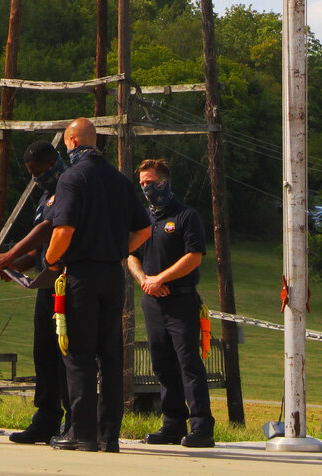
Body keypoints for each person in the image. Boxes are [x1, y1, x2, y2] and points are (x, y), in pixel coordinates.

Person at [43, 118, 151, 453]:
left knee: (79, 354)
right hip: (113, 274)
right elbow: (145, 230)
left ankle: (82, 432)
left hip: (82, 275)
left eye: (66, 144)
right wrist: (117, 248)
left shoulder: (72, 178)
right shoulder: (119, 180)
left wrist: (49, 260)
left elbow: (63, 230)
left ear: (73, 141)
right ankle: (109, 436)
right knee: (110, 355)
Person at [128, 157, 215, 449]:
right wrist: (145, 280)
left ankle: (201, 427)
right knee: (162, 364)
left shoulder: (186, 216)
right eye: (142, 184)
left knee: (188, 363)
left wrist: (161, 279)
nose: (147, 189)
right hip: (152, 302)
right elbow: (131, 255)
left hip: (181, 301)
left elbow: (194, 257)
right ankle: (172, 423)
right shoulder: (143, 218)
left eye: (151, 183)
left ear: (164, 182)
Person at [0, 138, 70, 445]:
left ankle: (73, 417)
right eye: (31, 173)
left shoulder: (68, 187)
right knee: (44, 353)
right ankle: (46, 418)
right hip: (44, 285)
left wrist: (8, 255)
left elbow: (46, 230)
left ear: (52, 163)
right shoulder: (46, 195)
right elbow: (38, 249)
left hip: (66, 284)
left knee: (66, 353)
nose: (34, 178)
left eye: (37, 170)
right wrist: (16, 267)